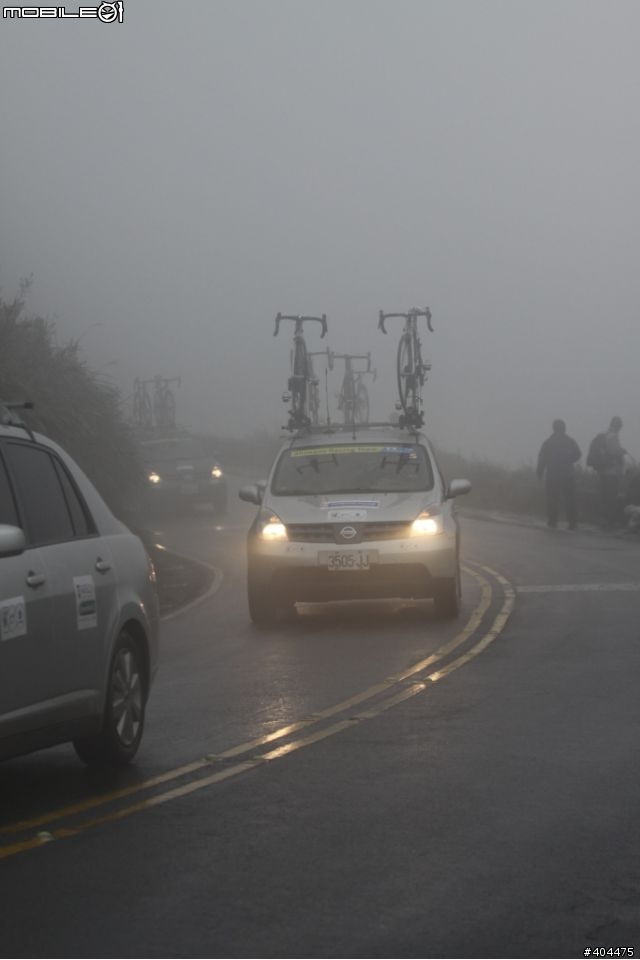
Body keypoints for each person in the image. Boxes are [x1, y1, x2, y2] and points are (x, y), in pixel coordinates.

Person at [536, 419, 581, 529]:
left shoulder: (548, 442)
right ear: (564, 428)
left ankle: (552, 521)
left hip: (552, 475)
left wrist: (539, 473)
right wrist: (569, 460)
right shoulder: (570, 441)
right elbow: (578, 454)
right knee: (570, 499)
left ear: (554, 428)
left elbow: (542, 459)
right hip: (568, 475)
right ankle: (572, 522)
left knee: (552, 498)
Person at [597, 416, 627, 528]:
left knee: (605, 496)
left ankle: (604, 521)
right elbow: (613, 451)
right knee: (611, 497)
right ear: (618, 426)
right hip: (611, 472)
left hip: (604, 471)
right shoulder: (613, 436)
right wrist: (621, 452)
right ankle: (609, 522)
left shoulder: (606, 434)